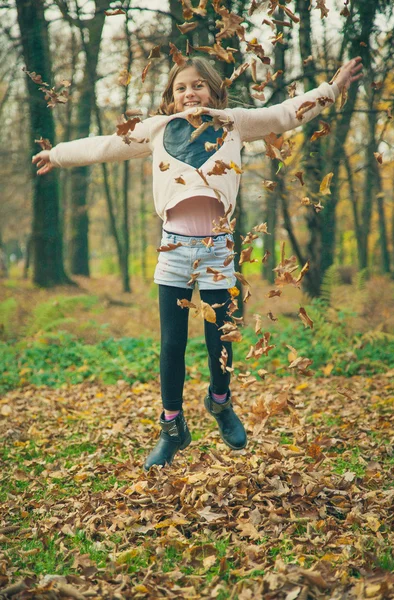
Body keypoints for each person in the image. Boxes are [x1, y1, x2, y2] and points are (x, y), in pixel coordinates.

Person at [32, 55, 363, 471]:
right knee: (171, 344)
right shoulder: (158, 129)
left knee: (219, 339)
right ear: (170, 99)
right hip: (173, 250)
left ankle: (220, 403)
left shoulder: (234, 123)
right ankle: (172, 427)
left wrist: (331, 89)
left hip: (218, 249)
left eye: (198, 86)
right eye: (181, 89)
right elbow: (103, 145)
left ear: (215, 90)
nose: (190, 93)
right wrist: (57, 154)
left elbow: (283, 114)